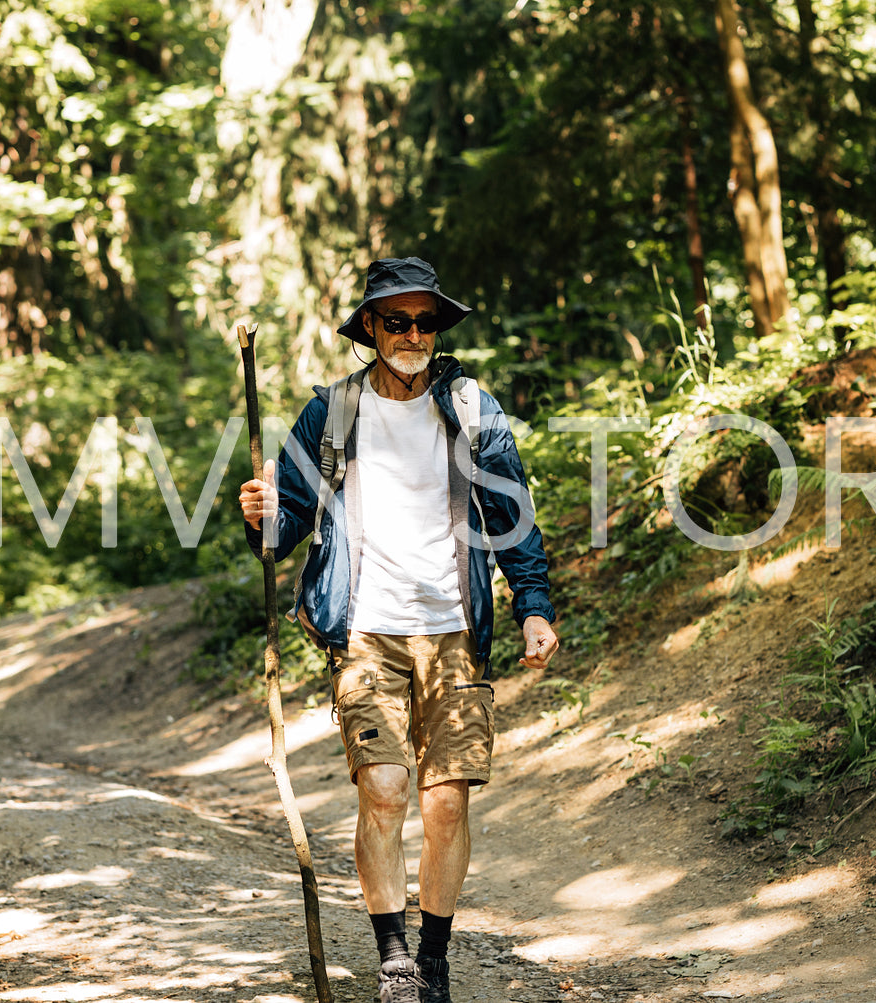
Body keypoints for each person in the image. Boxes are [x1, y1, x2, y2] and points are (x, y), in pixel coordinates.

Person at [238, 256, 559, 1003]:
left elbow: (512, 517)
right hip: (366, 631)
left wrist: (533, 604)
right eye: (395, 320)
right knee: (383, 789)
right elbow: (281, 531)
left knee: (446, 800)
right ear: (370, 329)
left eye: (424, 320)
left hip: (455, 630)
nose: (412, 333)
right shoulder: (331, 413)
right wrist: (262, 514)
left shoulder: (473, 408)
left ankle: (435, 958)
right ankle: (394, 964)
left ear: (437, 326)